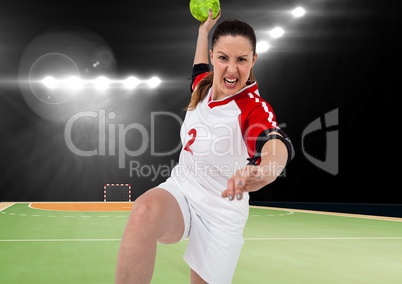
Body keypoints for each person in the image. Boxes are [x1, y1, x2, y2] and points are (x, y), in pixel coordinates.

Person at [115, 9, 294, 284]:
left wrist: (265, 171)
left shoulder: (251, 108)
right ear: (213, 56)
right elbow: (198, 68)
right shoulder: (204, 86)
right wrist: (203, 31)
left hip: (221, 213)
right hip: (183, 192)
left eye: (241, 60)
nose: (232, 69)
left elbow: (273, 143)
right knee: (143, 212)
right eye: (223, 58)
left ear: (254, 60)